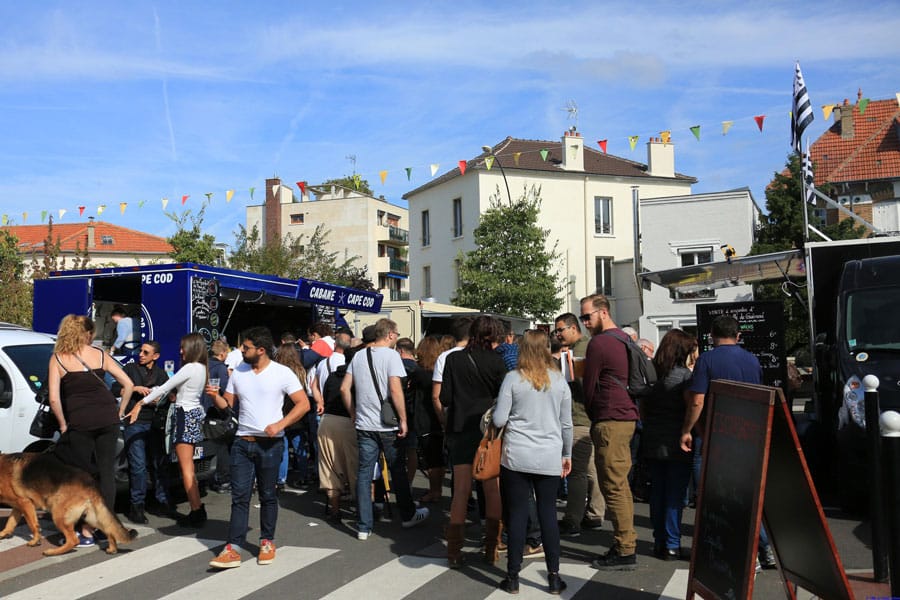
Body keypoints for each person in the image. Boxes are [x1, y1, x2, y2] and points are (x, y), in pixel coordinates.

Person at [207, 326, 310, 569]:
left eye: (246, 348)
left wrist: (280, 424)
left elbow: (303, 404)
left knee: (267, 495)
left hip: (271, 444)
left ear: (261, 350)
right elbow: (229, 405)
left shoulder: (282, 373)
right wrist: (215, 396)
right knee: (239, 497)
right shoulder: (239, 371)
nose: (241, 351)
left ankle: (266, 541)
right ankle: (233, 547)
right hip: (242, 441)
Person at [682, 315, 776, 569]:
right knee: (747, 493)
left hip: (717, 433)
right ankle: (764, 547)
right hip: (749, 433)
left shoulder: (707, 360)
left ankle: (744, 553)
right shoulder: (752, 360)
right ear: (738, 335)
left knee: (719, 496)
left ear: (712, 336)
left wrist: (688, 430)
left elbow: (697, 400)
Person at [493, 330, 573, 594]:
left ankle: (513, 575)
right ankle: (553, 576)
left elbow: (499, 419)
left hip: (516, 454)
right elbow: (566, 424)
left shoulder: (513, 379)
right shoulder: (560, 381)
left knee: (516, 516)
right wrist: (567, 454)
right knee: (548, 515)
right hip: (549, 454)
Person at [48, 314, 134, 547]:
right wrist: (120, 411)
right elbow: (128, 384)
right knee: (107, 473)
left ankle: (81, 529)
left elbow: (55, 400)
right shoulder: (100, 354)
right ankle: (101, 527)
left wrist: (64, 424)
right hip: (108, 418)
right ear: (88, 333)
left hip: (80, 422)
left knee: (79, 476)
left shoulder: (58, 359)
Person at [341, 318, 429, 541]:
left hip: (364, 424)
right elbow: (395, 390)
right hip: (387, 424)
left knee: (364, 473)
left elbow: (344, 388)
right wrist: (403, 419)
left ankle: (364, 525)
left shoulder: (359, 355)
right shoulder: (392, 356)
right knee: (397, 469)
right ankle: (407, 514)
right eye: (396, 334)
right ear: (390, 334)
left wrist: (353, 413)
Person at [441, 315, 508, 568]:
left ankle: (454, 551)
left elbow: (445, 397)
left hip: (459, 428)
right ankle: (491, 548)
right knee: (492, 489)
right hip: (487, 431)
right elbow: (504, 398)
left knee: (460, 490)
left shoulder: (453, 358)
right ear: (493, 336)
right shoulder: (498, 361)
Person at [580, 293, 639, 570]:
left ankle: (625, 548)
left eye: (587, 316)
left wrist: (593, 415)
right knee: (620, 484)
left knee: (613, 486)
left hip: (610, 418)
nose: (584, 323)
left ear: (603, 312)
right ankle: (626, 542)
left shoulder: (600, 343)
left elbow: (589, 387)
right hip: (626, 415)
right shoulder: (625, 338)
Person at [128, 332, 209, 527]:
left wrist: (140, 403)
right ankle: (196, 509)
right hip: (194, 414)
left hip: (184, 415)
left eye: (183, 348)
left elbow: (164, 387)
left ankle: (196, 510)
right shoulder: (202, 368)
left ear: (192, 349)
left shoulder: (190, 367)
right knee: (187, 466)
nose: (180, 351)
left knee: (186, 468)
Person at [640, 329, 697, 560]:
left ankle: (659, 540)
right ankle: (672, 543)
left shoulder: (651, 373)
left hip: (653, 437)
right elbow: (691, 406)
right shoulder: (684, 376)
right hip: (676, 438)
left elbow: (643, 406)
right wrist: (688, 430)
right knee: (675, 494)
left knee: (658, 491)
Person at [554, 312, 606, 537]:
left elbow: (584, 384)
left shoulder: (581, 351)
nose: (557, 334)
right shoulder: (583, 348)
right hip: (588, 417)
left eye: (560, 330)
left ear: (573, 328)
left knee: (577, 471)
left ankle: (572, 519)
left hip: (579, 417)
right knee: (591, 469)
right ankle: (595, 513)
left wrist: (566, 369)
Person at [112, 340, 173, 523]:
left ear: (155, 356)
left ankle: (162, 502)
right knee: (138, 466)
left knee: (158, 463)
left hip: (154, 423)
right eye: (141, 351)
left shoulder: (161, 374)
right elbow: (115, 388)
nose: (141, 354)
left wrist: (159, 399)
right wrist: (132, 389)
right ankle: (136, 506)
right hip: (135, 422)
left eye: (146, 353)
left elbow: (169, 396)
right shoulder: (130, 369)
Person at [411, 336, 445, 503]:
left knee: (431, 459)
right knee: (439, 458)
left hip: (424, 418)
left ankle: (434, 491)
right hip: (440, 417)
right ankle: (437, 489)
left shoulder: (418, 373)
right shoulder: (440, 371)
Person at [274, 342, 311, 491]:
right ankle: (303, 476)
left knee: (282, 447)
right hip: (297, 412)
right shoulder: (301, 370)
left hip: (281, 412)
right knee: (299, 446)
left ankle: (281, 479)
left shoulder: (278, 371)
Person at [207, 339, 233, 494]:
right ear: (223, 354)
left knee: (211, 445)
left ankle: (212, 477)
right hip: (217, 410)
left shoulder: (203, 365)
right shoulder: (221, 368)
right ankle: (223, 480)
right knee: (222, 447)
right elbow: (226, 388)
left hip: (204, 409)